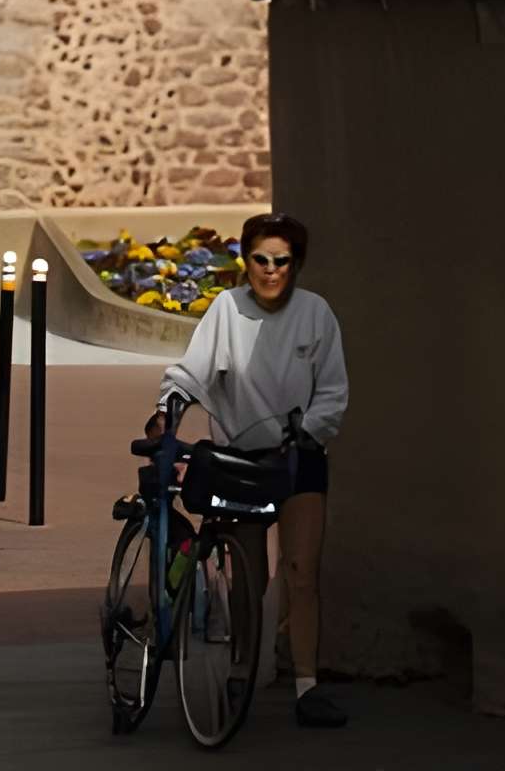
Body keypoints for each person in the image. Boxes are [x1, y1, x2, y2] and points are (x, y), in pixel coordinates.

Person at [154, 209, 350, 730]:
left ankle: (307, 685)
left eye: (281, 261)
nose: (270, 270)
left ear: (297, 264)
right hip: (241, 460)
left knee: (301, 574)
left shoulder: (316, 314)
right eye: (260, 259)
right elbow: (192, 371)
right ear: (246, 261)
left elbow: (332, 389)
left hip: (299, 455)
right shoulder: (226, 309)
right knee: (248, 575)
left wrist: (310, 429)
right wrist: (168, 406)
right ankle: (241, 668)